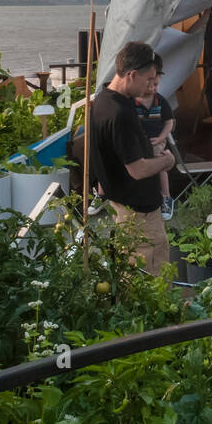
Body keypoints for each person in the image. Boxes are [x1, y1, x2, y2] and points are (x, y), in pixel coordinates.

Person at [87, 42, 176, 273]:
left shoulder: (102, 100)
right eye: (149, 80)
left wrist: (148, 149)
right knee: (152, 275)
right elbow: (137, 170)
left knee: (130, 269)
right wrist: (166, 161)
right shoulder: (121, 113)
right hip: (140, 211)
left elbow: (121, 149)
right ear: (132, 74)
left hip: (122, 204)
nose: (151, 86)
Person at [135, 55, 177, 219]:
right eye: (149, 84)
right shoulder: (132, 101)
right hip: (138, 142)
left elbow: (169, 122)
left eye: (156, 85)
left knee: (158, 161)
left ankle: (166, 197)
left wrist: (161, 138)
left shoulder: (161, 101)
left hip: (155, 141)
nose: (152, 88)